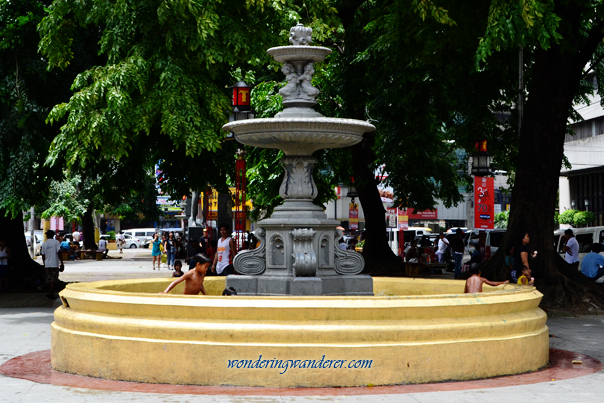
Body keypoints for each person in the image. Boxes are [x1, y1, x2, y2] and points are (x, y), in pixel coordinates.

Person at [41, 230, 64, 299]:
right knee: (54, 279)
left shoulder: (44, 244)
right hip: (54, 263)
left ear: (47, 235)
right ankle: (50, 292)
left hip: (47, 264)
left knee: (48, 278)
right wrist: (61, 263)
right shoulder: (56, 242)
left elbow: (43, 254)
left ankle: (50, 291)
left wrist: (44, 262)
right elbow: (59, 252)